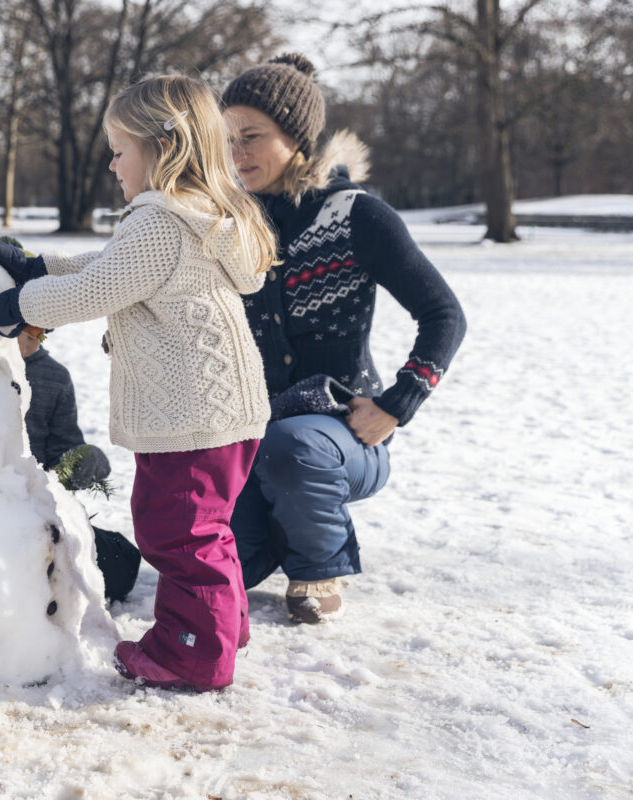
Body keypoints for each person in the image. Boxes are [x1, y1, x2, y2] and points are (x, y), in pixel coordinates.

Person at [0, 74, 278, 692]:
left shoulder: (160, 222)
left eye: (119, 150)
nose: (111, 164)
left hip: (190, 417)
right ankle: (224, 626)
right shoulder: (199, 218)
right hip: (226, 412)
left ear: (162, 147)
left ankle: (192, 654)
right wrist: (39, 268)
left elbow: (97, 289)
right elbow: (108, 267)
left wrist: (19, 306)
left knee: (177, 531)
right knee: (205, 526)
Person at [220, 54, 467, 623]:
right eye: (229, 139)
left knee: (294, 449)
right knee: (233, 562)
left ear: (297, 136)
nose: (237, 155)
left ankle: (318, 569)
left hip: (345, 434)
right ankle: (288, 528)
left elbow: (443, 314)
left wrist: (397, 405)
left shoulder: (356, 216)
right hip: (252, 434)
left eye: (252, 137)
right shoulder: (236, 224)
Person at [16, 325, 141, 603]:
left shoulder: (53, 377)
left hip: (38, 507)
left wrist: (82, 461)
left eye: (35, 335)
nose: (26, 343)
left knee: (123, 560)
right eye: (20, 334)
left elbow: (64, 447)